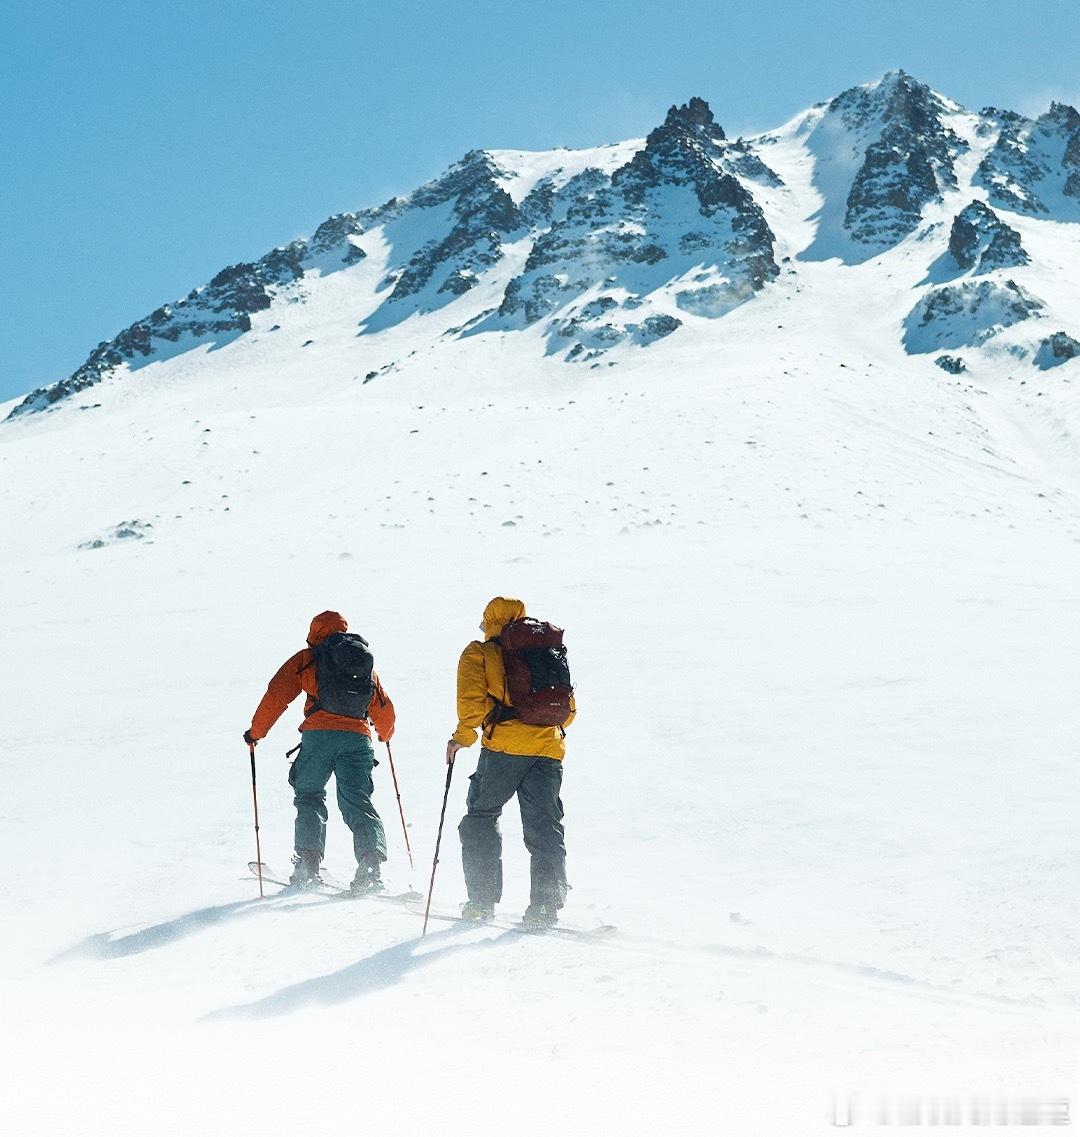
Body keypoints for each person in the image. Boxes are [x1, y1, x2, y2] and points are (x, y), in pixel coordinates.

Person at [445, 596, 575, 928]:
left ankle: (481, 902)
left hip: (504, 748)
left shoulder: (481, 652)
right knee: (545, 827)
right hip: (549, 750)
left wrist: (462, 737)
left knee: (480, 817)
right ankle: (546, 907)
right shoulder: (546, 650)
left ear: (489, 621)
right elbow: (568, 711)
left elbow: (471, 703)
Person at [244, 610, 396, 893]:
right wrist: (385, 734)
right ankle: (371, 867)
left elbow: (277, 695)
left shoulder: (308, 658)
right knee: (358, 801)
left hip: (319, 737)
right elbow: (383, 707)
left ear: (315, 633)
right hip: (358, 740)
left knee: (310, 795)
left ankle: (307, 866)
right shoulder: (363, 664)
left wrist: (256, 733)